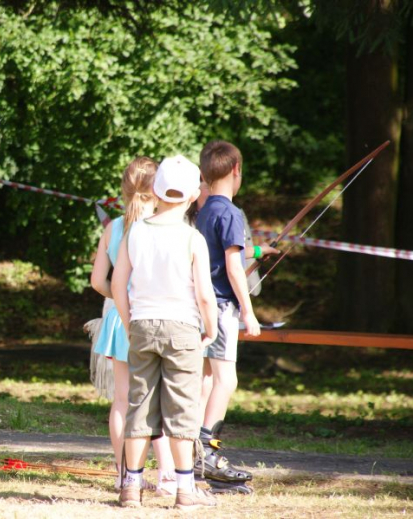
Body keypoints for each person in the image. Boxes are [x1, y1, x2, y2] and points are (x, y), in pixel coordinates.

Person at [112, 155, 219, 510]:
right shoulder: (193, 238)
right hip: (183, 329)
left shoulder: (136, 231)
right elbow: (204, 294)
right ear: (193, 196)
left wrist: (130, 325)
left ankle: (131, 486)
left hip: (143, 324)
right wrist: (211, 326)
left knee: (139, 404)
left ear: (155, 192)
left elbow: (117, 285)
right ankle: (185, 490)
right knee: (182, 408)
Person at [88, 156, 177, 496]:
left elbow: (99, 280)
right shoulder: (162, 224)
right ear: (157, 189)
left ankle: (123, 474)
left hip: (116, 320)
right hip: (152, 317)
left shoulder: (112, 228)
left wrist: (118, 296)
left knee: (122, 400)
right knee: (159, 399)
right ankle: (168, 475)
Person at [194, 140, 261, 493]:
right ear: (236, 169)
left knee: (206, 379)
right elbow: (235, 268)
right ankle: (208, 451)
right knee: (226, 380)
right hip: (221, 308)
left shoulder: (204, 209)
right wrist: (248, 312)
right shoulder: (231, 213)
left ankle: (194, 447)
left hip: (203, 306)